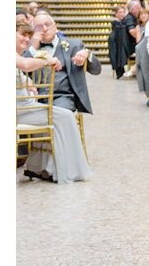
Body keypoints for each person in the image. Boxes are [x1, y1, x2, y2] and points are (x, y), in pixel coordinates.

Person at [16, 21, 91, 184]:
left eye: (28, 36)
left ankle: (43, 168)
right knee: (64, 117)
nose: (26, 39)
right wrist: (47, 60)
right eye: (23, 34)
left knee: (63, 115)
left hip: (35, 105)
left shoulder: (73, 44)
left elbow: (21, 72)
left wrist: (27, 82)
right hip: (20, 111)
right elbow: (24, 64)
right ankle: (68, 171)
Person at [24, 11, 100, 114]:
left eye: (47, 25)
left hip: (62, 97)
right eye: (39, 27)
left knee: (59, 115)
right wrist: (32, 48)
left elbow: (97, 70)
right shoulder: (29, 47)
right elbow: (19, 70)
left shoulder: (73, 45)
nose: (45, 29)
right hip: (34, 97)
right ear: (33, 31)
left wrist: (88, 54)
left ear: (55, 26)